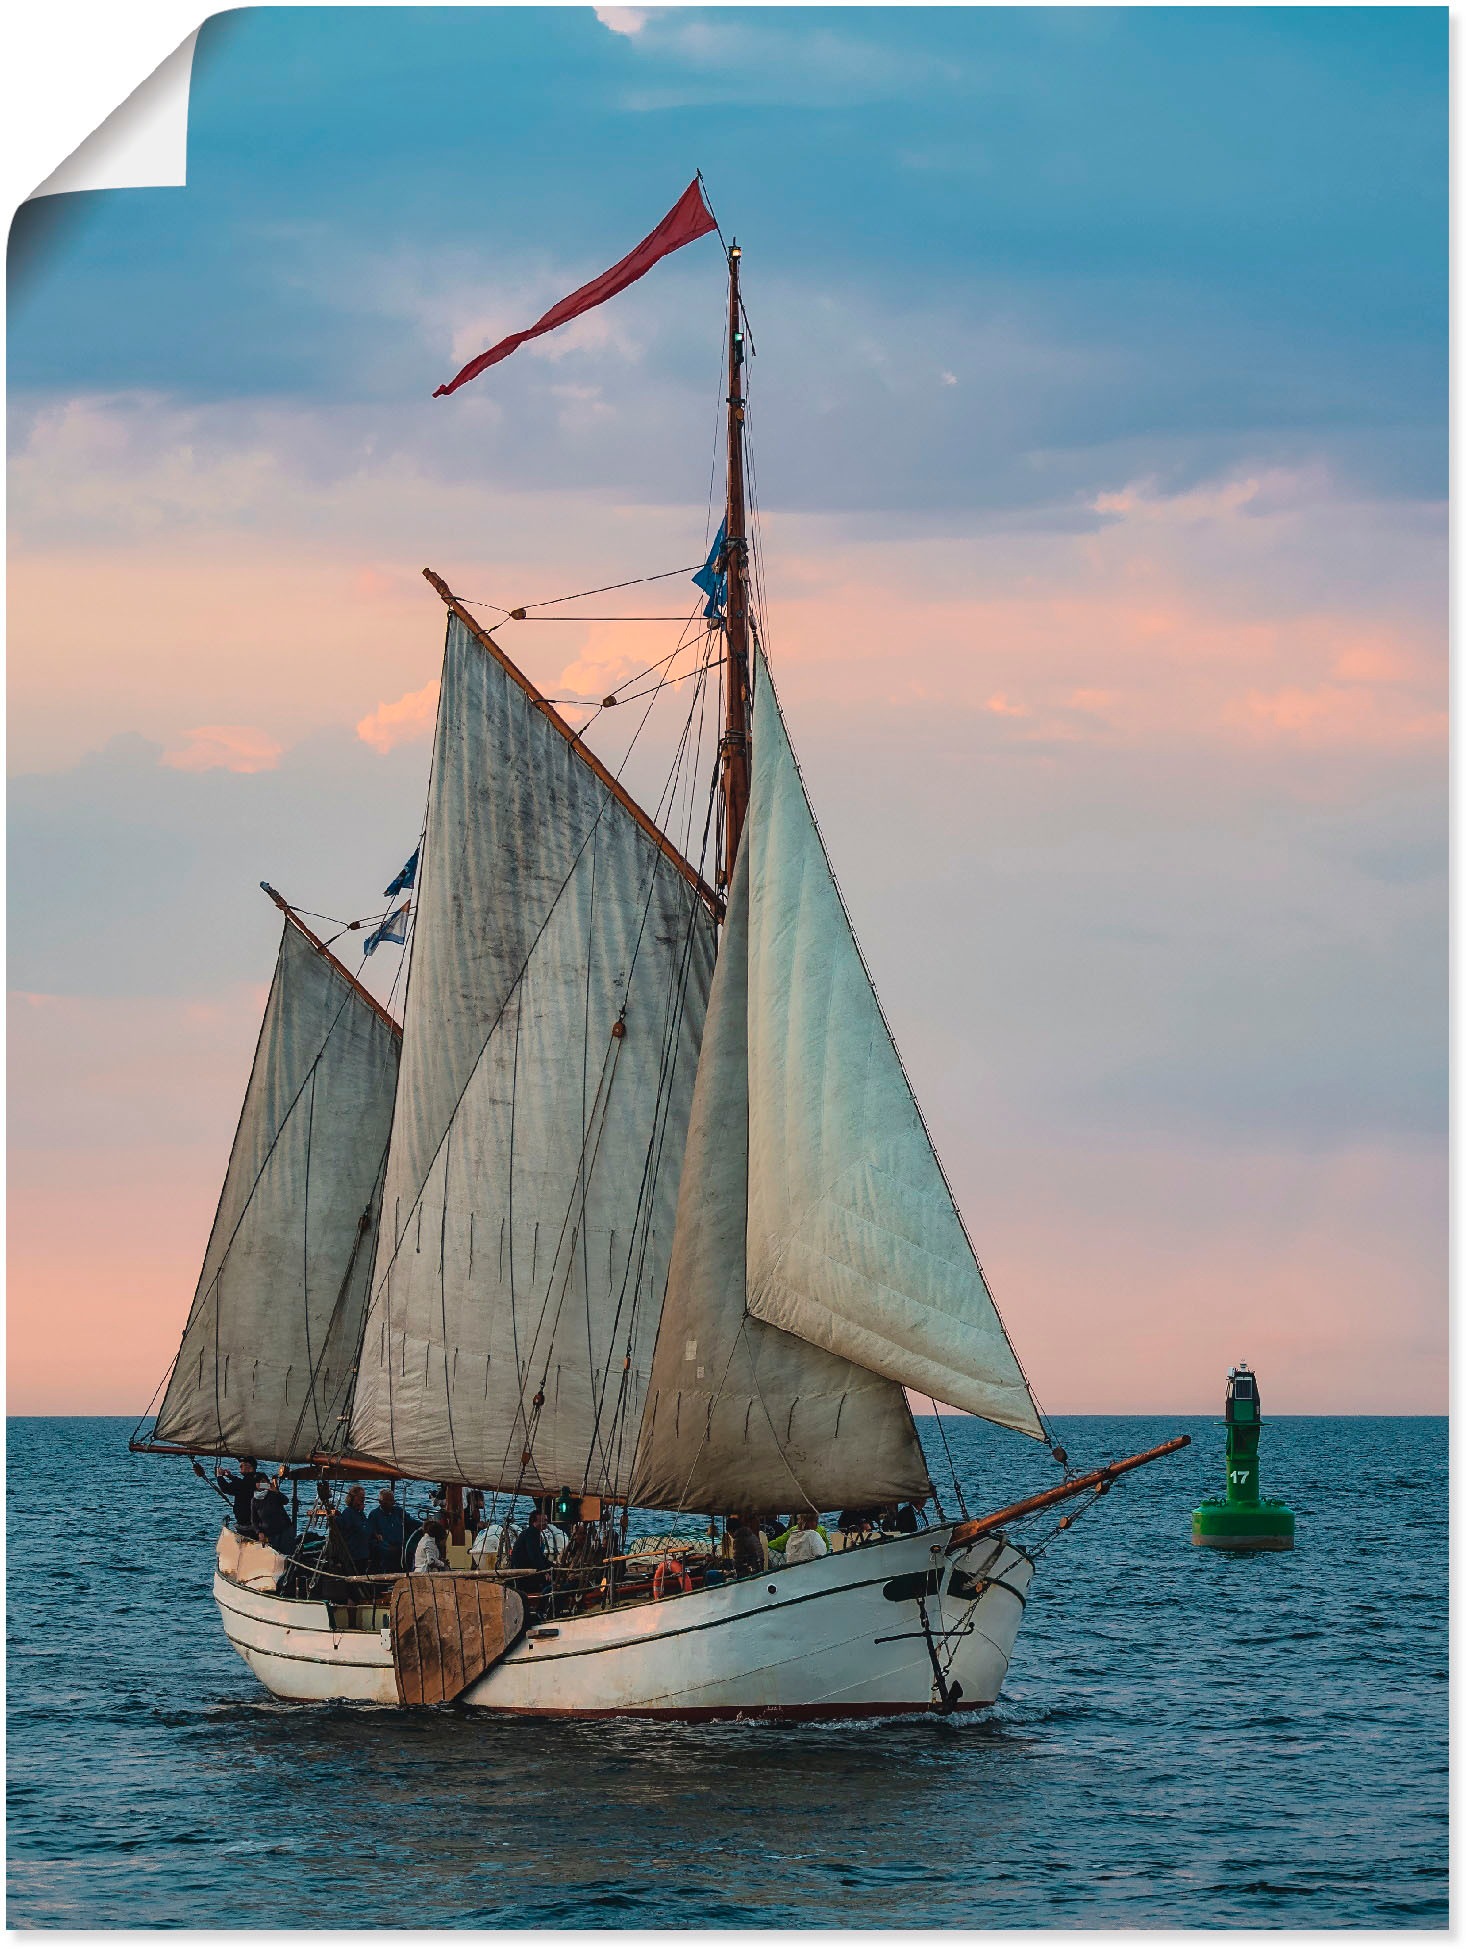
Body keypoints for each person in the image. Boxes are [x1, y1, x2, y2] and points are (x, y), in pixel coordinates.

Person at [508, 1508, 552, 1611]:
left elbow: (538, 1556)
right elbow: (534, 1555)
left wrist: (552, 1565)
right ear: (535, 1521)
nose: (546, 1522)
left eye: (546, 1520)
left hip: (527, 1570)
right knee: (548, 1583)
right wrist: (543, 1572)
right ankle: (542, 1606)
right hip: (525, 1574)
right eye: (543, 1520)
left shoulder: (532, 1533)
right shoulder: (532, 1534)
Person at [207, 1458, 264, 1532]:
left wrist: (219, 1476)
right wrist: (230, 1476)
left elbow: (225, 1488)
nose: (240, 1467)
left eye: (242, 1465)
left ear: (250, 1467)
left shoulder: (244, 1484)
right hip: (260, 1522)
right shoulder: (257, 1479)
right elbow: (246, 1484)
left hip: (248, 1526)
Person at [254, 1471, 296, 1556]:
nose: (262, 1484)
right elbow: (254, 1519)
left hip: (284, 1530)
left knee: (287, 1553)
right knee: (273, 1554)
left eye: (264, 1481)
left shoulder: (273, 1494)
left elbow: (285, 1501)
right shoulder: (254, 1500)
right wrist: (259, 1532)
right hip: (269, 1532)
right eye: (259, 1482)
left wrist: (276, 1491)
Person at [367, 1487, 406, 1573]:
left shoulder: (398, 1511)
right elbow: (372, 1535)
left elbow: (410, 1521)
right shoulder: (374, 1515)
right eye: (388, 1500)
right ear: (380, 1501)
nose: (392, 1502)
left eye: (392, 1500)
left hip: (400, 1547)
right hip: (384, 1550)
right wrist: (386, 1546)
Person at [335, 1483, 371, 1574]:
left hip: (362, 1552)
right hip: (354, 1552)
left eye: (364, 1497)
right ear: (353, 1498)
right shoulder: (348, 1513)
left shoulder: (360, 1514)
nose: (363, 1499)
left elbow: (367, 1528)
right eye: (361, 1497)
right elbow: (358, 1528)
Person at [731, 1513, 766, 1579]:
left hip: (751, 1570)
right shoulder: (752, 1535)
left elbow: (737, 1560)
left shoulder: (740, 1538)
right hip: (758, 1566)